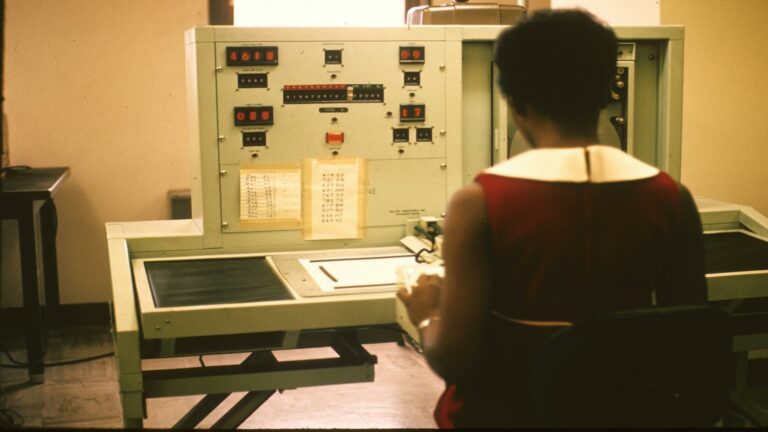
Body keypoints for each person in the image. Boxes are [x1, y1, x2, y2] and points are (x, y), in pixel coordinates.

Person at [396, 8, 707, 428]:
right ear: (606, 92)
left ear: (514, 101)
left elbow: (457, 361)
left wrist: (427, 313)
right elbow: (688, 340)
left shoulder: (479, 202)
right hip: (627, 415)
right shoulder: (672, 197)